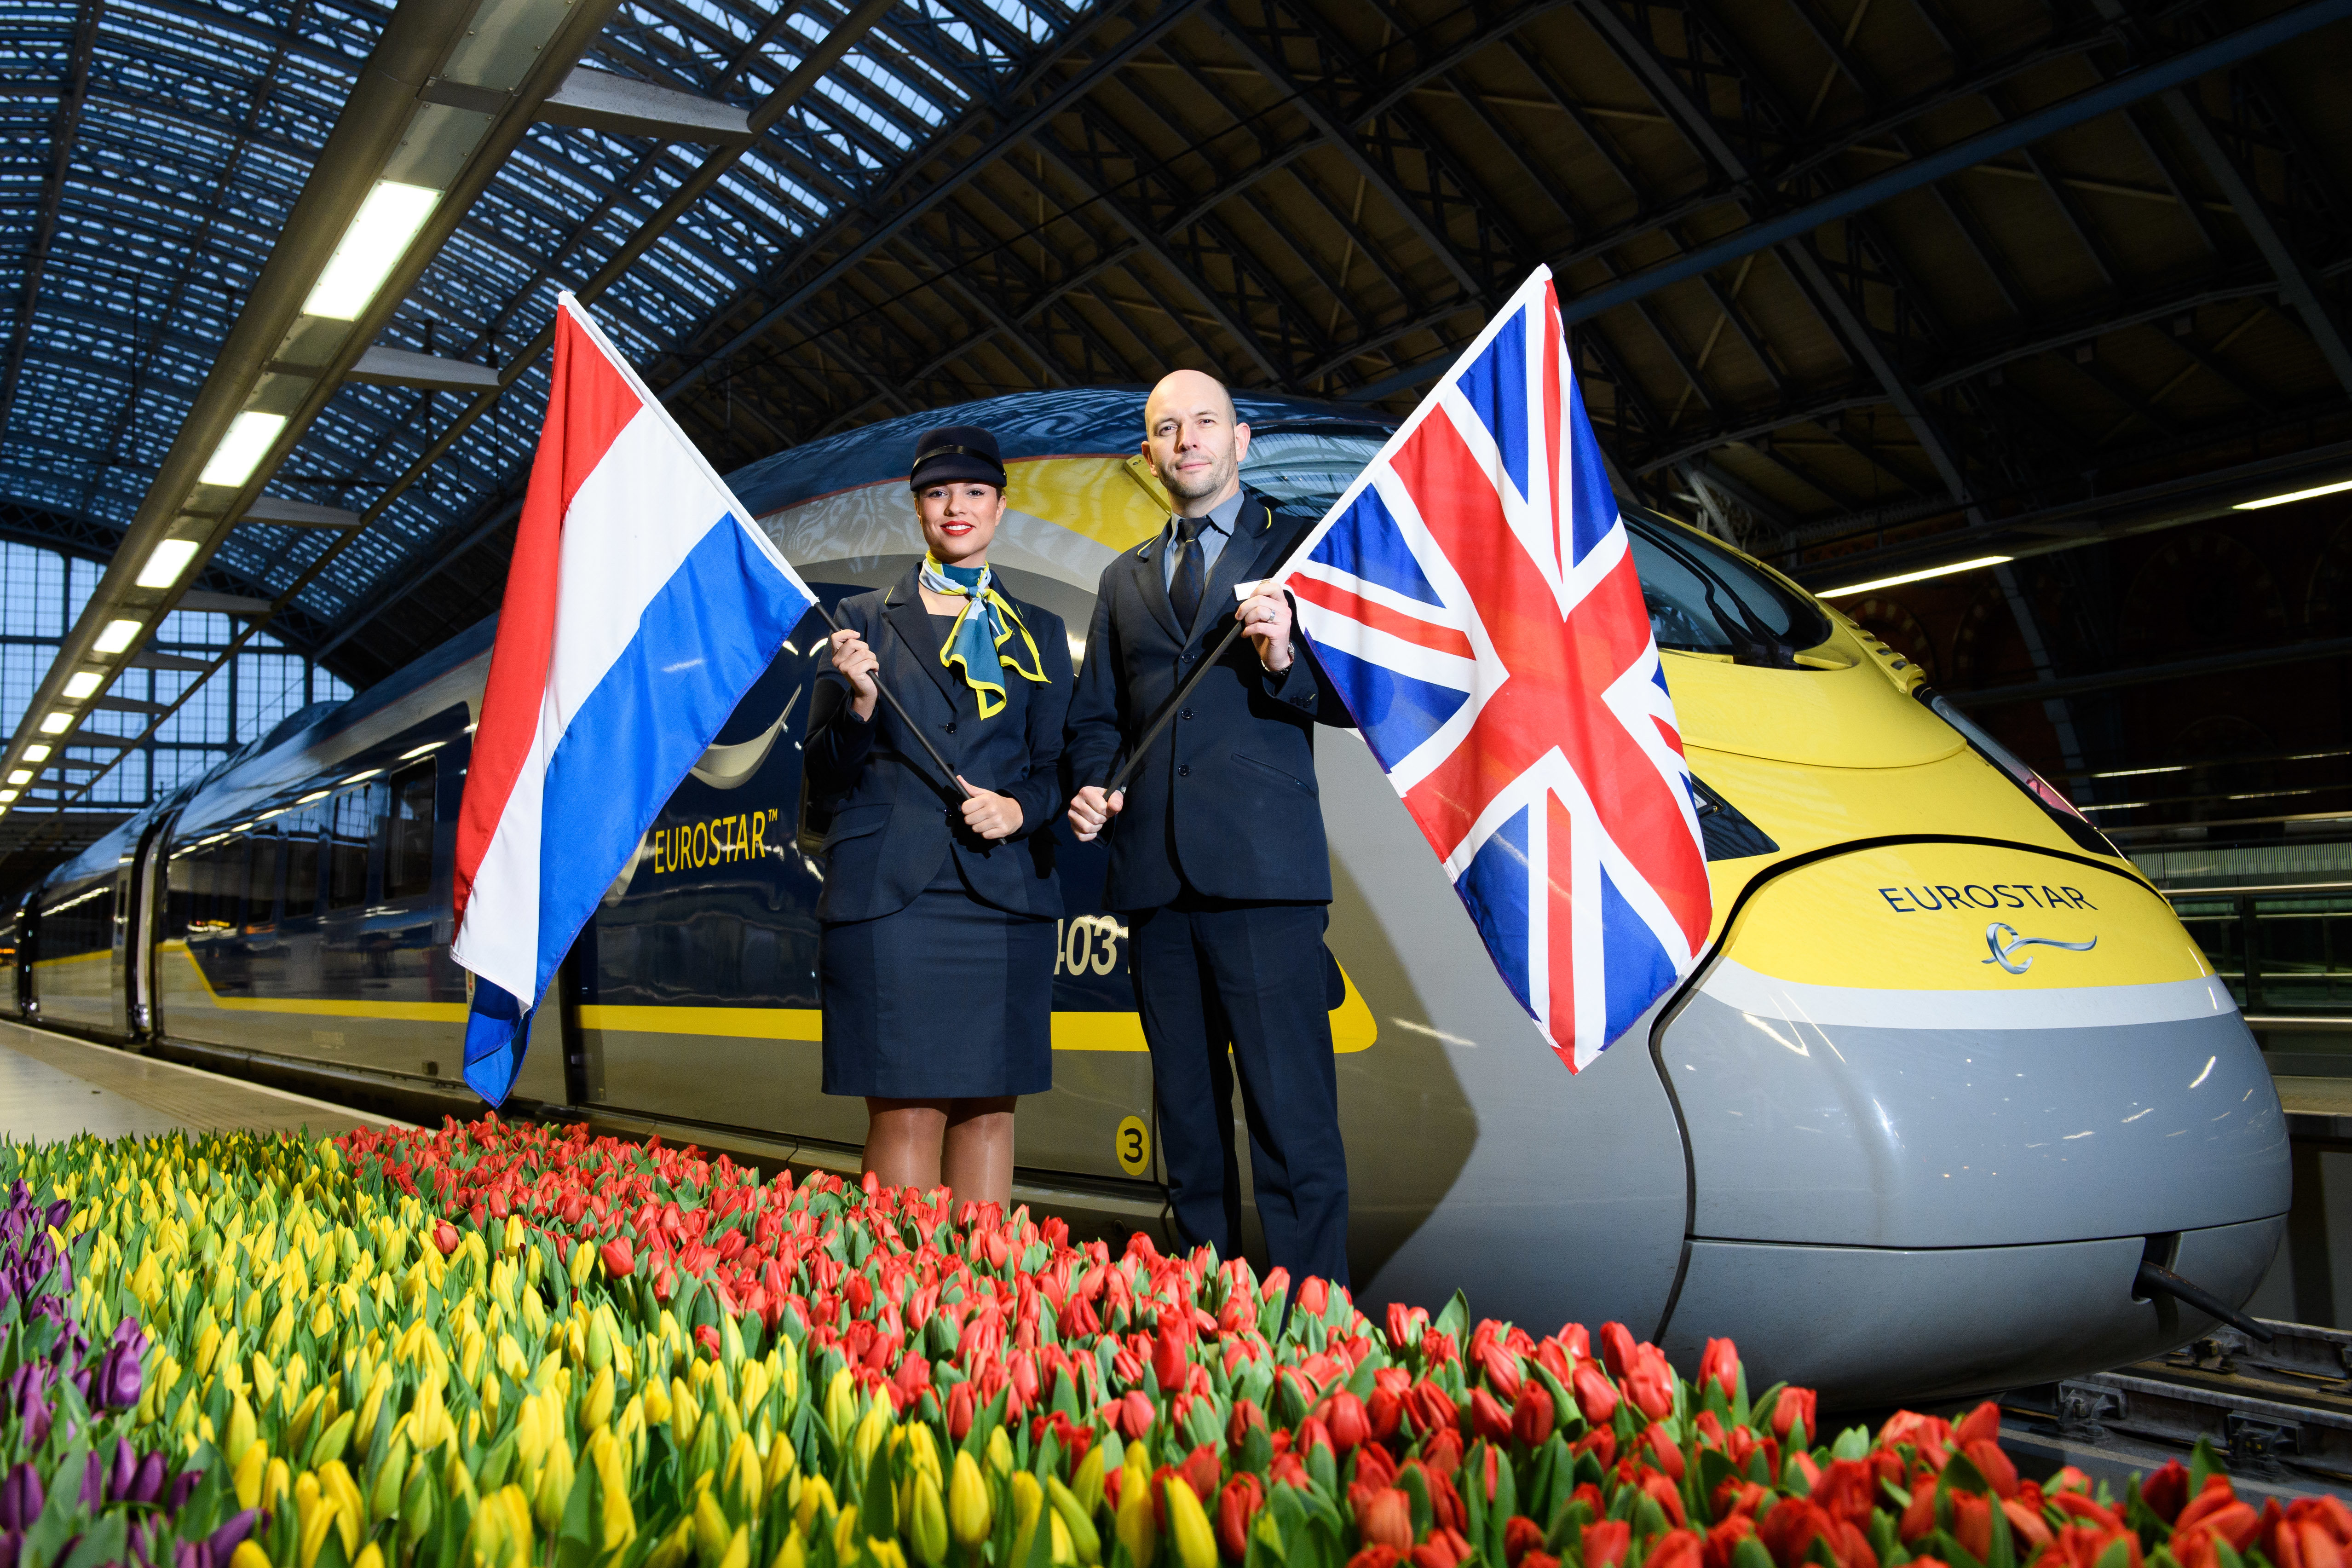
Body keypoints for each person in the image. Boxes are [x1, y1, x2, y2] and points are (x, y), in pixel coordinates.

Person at [1064, 369, 1352, 1287]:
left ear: (1242, 439)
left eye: (1203, 423)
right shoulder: (1124, 579)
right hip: (1156, 886)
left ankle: (1317, 1329)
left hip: (1266, 879)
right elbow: (1098, 719)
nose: (1185, 440)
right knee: (1188, 1127)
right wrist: (1094, 786)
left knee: (1291, 1122)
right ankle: (1207, 1330)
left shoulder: (1305, 550)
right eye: (1165, 429)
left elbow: (1360, 698)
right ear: (1148, 454)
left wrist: (1283, 656)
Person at [805, 424, 1072, 1213]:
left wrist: (1020, 807)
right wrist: (856, 704)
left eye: (974, 492)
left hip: (1002, 901)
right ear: (918, 507)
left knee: (991, 1109)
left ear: (999, 507)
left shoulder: (1043, 632)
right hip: (892, 899)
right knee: (908, 1107)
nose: (957, 507)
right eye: (938, 493)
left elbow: (1061, 767)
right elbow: (821, 776)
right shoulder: (859, 622)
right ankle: (905, 1312)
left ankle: (981, 1319)